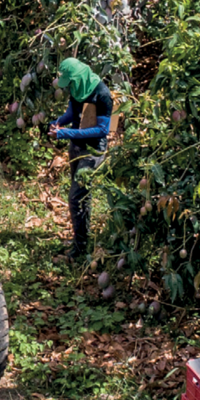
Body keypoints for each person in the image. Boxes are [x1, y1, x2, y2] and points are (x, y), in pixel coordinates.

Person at [51, 57, 114, 260]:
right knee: (81, 198)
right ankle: (81, 239)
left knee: (76, 197)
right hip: (77, 146)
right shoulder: (77, 88)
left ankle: (79, 251)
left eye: (71, 83)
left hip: (93, 151)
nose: (69, 87)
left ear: (79, 77)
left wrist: (66, 134)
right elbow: (73, 113)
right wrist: (57, 123)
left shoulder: (102, 95)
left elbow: (101, 130)